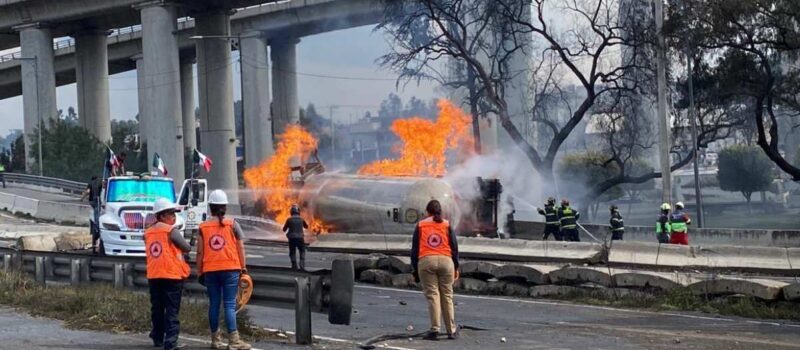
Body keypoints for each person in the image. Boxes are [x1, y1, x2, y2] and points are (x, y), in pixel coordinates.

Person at [197, 190, 251, 350]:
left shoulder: (203, 227)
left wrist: (199, 271)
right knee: (229, 304)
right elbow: (240, 246)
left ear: (210, 207)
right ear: (225, 207)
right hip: (230, 269)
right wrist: (243, 267)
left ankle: (215, 340)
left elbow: (199, 252)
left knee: (214, 304)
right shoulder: (232, 224)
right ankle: (233, 341)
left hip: (210, 270)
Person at [145, 198, 191, 350]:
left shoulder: (148, 232)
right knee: (172, 310)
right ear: (162, 215)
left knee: (157, 309)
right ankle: (170, 343)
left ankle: (157, 338)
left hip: (154, 275)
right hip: (171, 276)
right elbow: (186, 247)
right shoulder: (171, 231)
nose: (174, 217)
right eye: (171, 214)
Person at [411, 199, 460, 341]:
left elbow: (414, 251)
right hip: (446, 261)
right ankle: (451, 330)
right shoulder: (447, 224)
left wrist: (415, 270)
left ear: (427, 212)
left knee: (433, 295)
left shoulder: (420, 225)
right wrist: (456, 267)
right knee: (447, 295)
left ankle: (435, 330)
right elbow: (455, 248)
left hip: (426, 261)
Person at [282, 204, 308, 270]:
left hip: (292, 239)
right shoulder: (301, 219)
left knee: (292, 252)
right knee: (302, 251)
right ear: (298, 212)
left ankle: (294, 266)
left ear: (291, 212)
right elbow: (306, 227)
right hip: (300, 238)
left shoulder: (289, 219)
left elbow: (284, 229)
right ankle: (302, 266)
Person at [81, 176, 103, 253]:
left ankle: (96, 226)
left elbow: (87, 192)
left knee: (95, 213)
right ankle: (98, 225)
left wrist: (82, 198)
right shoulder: (100, 183)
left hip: (93, 201)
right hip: (98, 200)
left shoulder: (90, 184)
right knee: (98, 212)